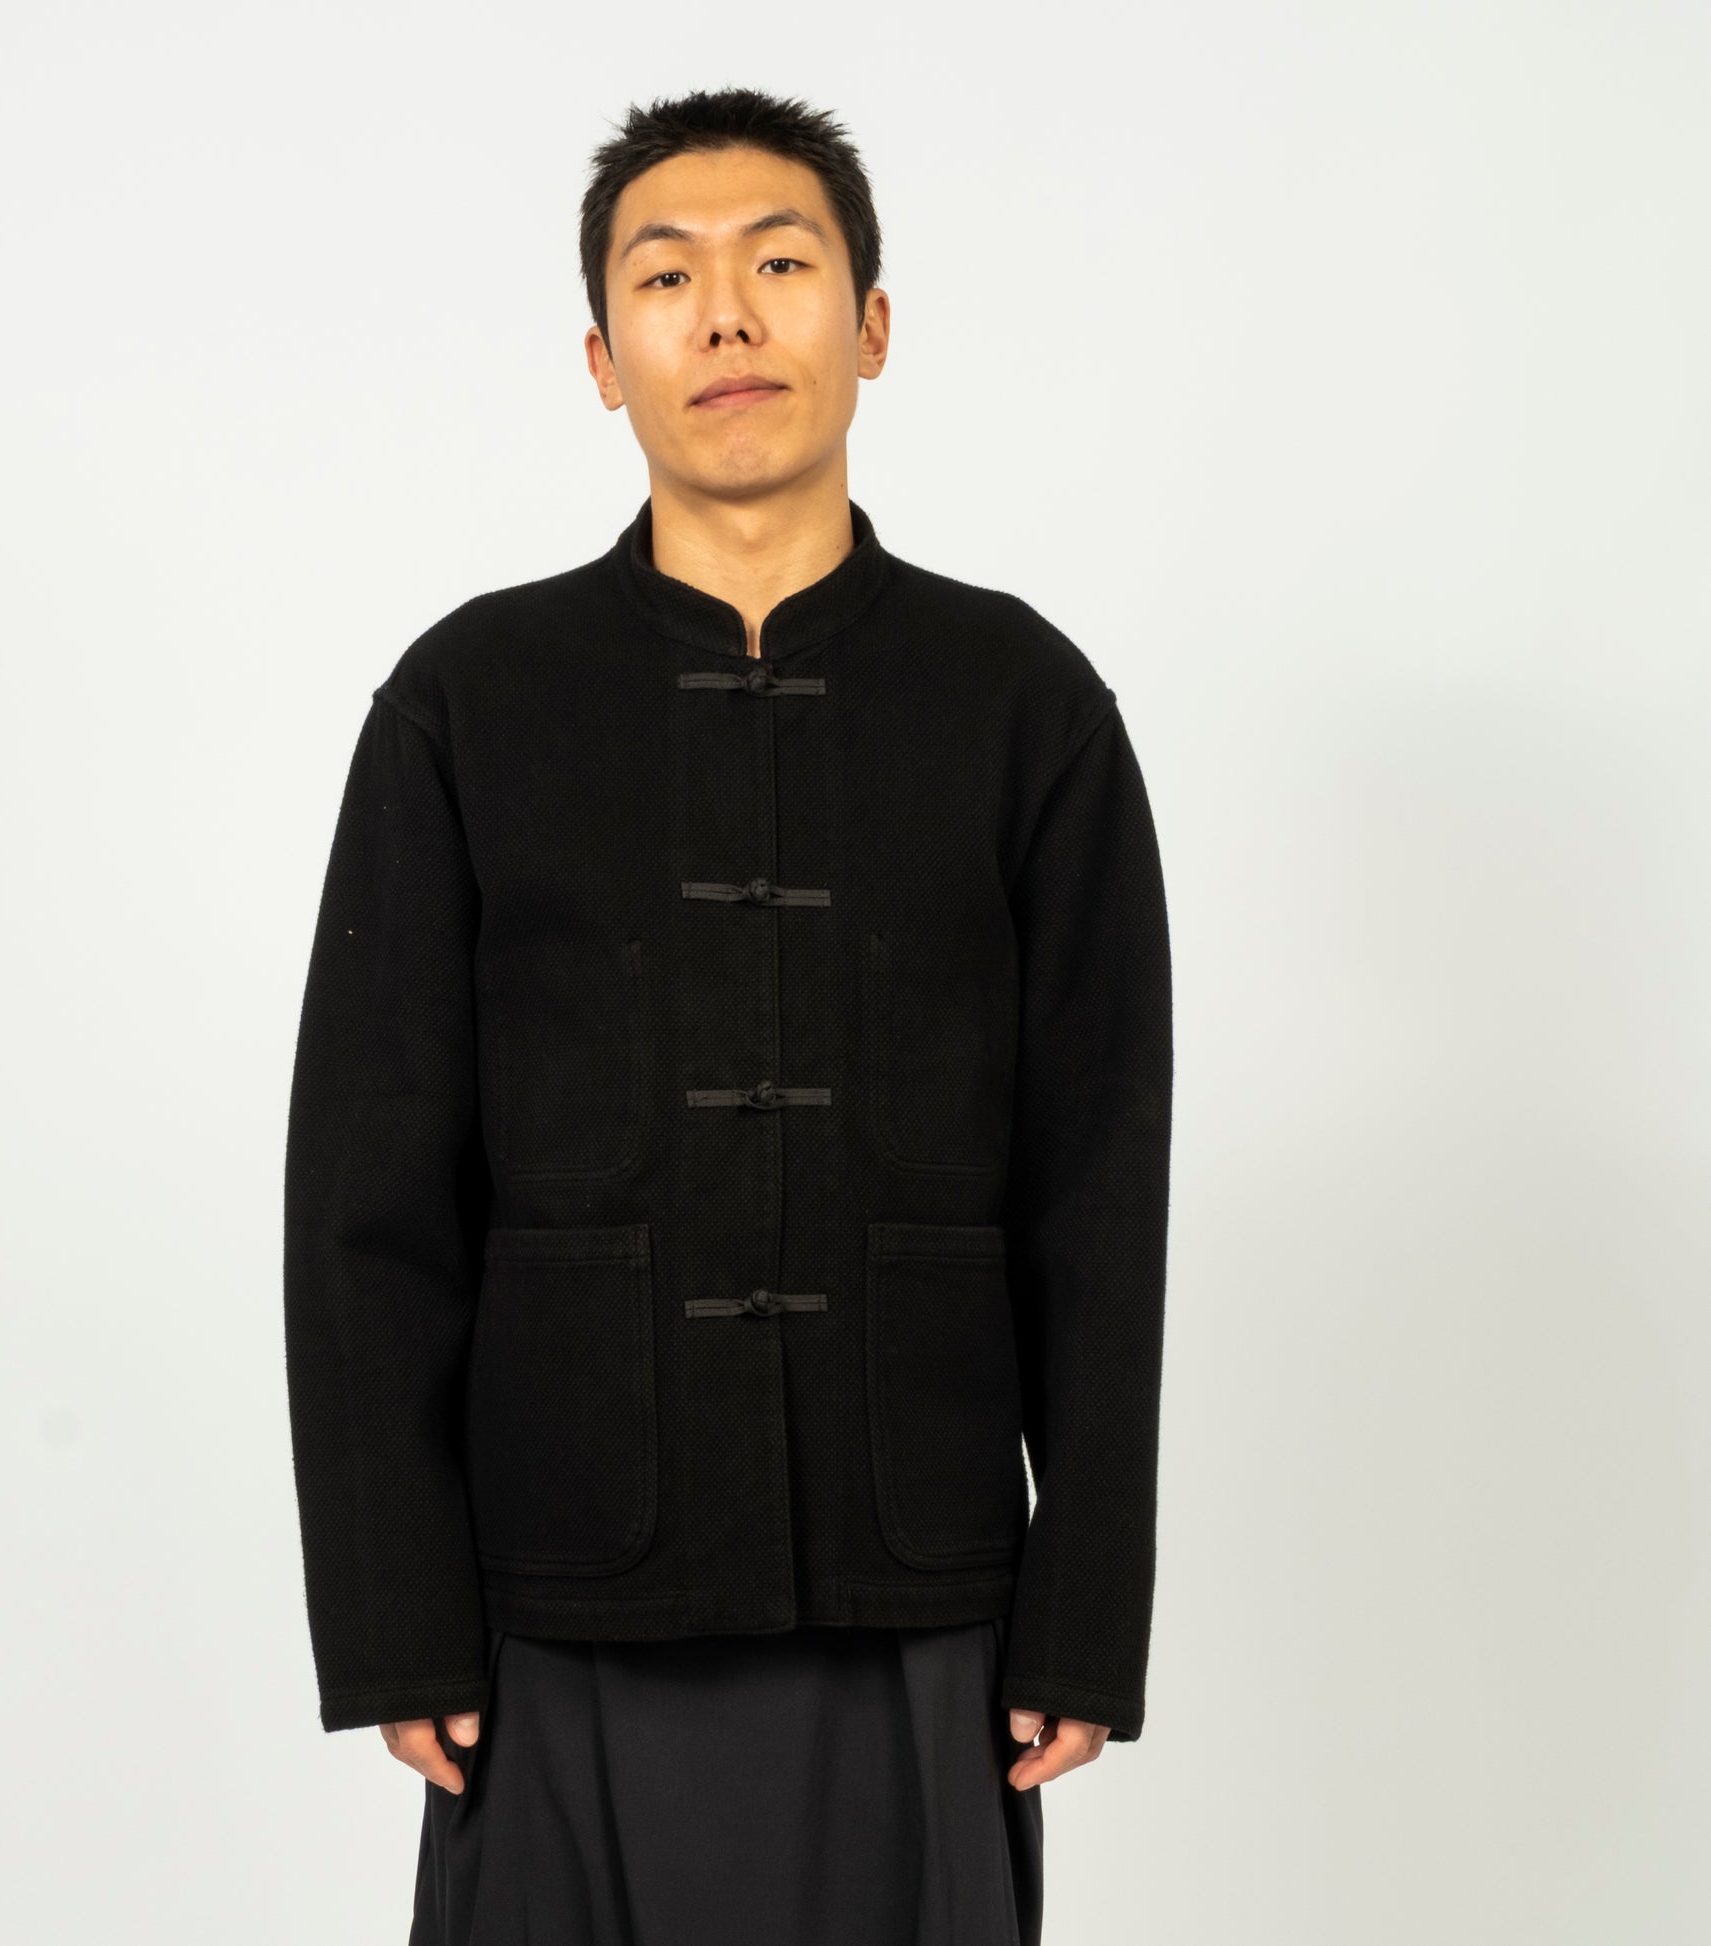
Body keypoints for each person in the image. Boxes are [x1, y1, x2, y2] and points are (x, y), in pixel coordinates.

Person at [282, 86, 1175, 1946]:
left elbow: (1099, 1186)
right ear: (601, 359)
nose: (728, 316)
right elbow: (367, 1195)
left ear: (872, 324)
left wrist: (1082, 1611)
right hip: (558, 1581)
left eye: (780, 262)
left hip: (920, 1572)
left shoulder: (1022, 701)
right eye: (666, 276)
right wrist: (393, 1618)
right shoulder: (469, 699)